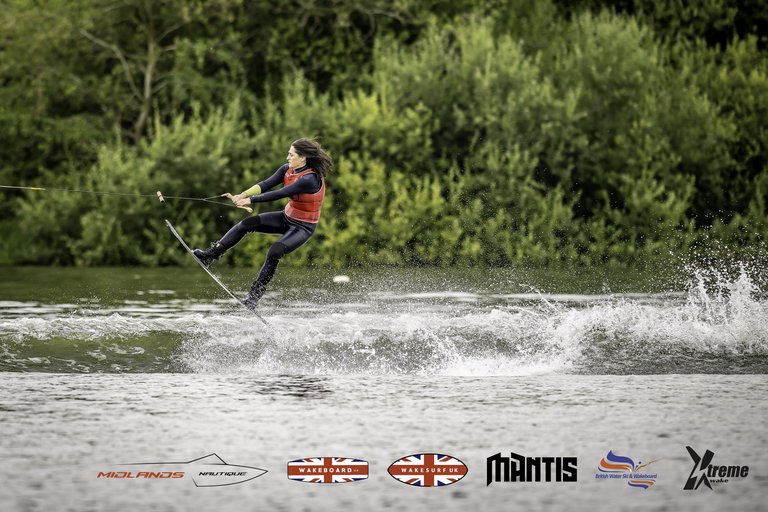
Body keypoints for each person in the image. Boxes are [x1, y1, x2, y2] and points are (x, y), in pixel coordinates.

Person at [193, 138, 332, 309]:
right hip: (286, 217)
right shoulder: (287, 169)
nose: (287, 157)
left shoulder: (309, 179)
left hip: (303, 227)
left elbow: (281, 193)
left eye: (291, 154)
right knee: (246, 224)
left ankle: (253, 298)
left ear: (303, 158)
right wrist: (243, 195)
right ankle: (210, 255)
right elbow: (266, 184)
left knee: (275, 251)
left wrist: (250, 201)